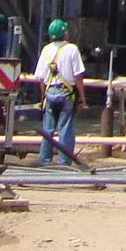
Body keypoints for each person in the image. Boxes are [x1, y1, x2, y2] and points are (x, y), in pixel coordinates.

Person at [33, 17, 83, 165]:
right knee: (65, 129)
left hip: (50, 93)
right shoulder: (72, 49)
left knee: (47, 130)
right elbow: (78, 76)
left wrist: (43, 97)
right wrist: (82, 97)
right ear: (65, 33)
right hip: (67, 94)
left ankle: (44, 160)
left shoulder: (46, 50)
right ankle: (64, 162)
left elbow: (41, 78)